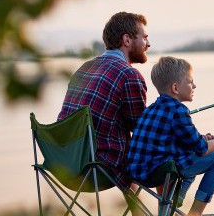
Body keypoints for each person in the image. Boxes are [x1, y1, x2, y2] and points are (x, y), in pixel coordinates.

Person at [127, 56, 214, 216]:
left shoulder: (150, 109)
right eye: (190, 82)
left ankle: (173, 205)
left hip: (137, 172)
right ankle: (194, 213)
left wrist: (203, 138)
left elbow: (179, 138)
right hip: (159, 173)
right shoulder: (179, 111)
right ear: (175, 88)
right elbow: (202, 149)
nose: (194, 86)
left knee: (187, 154)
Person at [58, 12, 151, 191]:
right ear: (127, 40)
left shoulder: (84, 68)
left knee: (127, 148)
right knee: (164, 153)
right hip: (98, 168)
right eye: (145, 37)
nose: (148, 43)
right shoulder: (129, 75)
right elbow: (142, 130)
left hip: (65, 163)